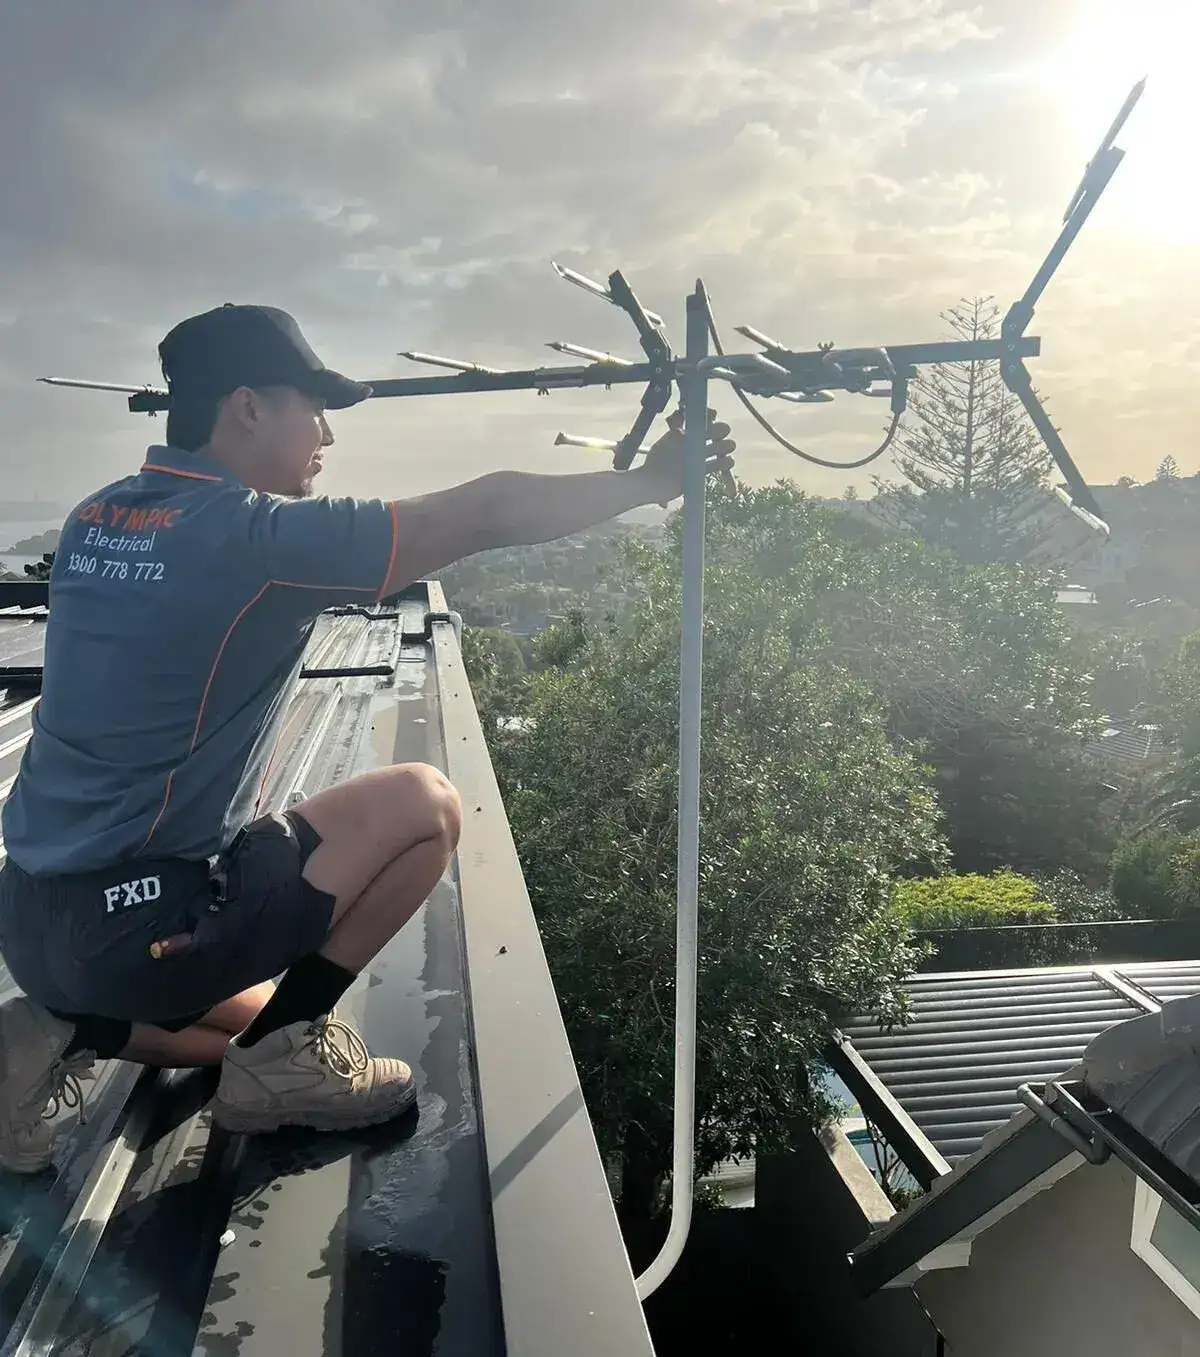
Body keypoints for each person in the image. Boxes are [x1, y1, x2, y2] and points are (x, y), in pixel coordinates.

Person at [0, 303, 735, 1172]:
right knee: (425, 804)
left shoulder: (95, 519)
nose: (326, 436)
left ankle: (49, 1027)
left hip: (35, 923)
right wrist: (650, 483)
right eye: (314, 407)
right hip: (140, 927)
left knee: (251, 1011)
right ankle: (275, 1071)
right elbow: (487, 512)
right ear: (247, 407)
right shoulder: (250, 537)